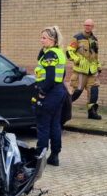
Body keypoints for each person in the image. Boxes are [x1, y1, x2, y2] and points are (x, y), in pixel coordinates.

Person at [33, 26, 67, 166]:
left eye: (44, 38)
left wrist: (42, 92)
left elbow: (51, 77)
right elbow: (62, 74)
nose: (41, 40)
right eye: (41, 37)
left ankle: (39, 156)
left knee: (43, 124)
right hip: (59, 91)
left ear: (52, 40)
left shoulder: (50, 55)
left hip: (50, 92)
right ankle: (54, 155)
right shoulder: (58, 52)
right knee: (55, 124)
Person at [67, 18, 102, 120]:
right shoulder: (77, 38)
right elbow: (69, 52)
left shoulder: (95, 39)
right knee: (76, 92)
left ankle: (92, 112)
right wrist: (77, 60)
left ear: (92, 27)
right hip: (80, 71)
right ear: (84, 26)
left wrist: (98, 66)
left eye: (89, 25)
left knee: (94, 91)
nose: (87, 27)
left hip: (92, 71)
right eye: (86, 25)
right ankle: (62, 107)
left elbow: (95, 56)